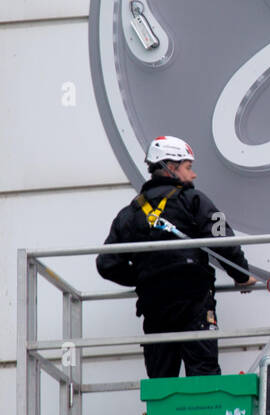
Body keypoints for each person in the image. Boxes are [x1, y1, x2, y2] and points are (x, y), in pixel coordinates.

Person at [96, 135, 256, 378]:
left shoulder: (129, 214)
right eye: (188, 167)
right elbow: (224, 240)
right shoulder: (194, 200)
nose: (193, 175)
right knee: (203, 375)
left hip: (154, 306)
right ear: (170, 168)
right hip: (194, 300)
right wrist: (242, 275)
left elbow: (107, 263)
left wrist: (143, 277)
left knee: (161, 381)